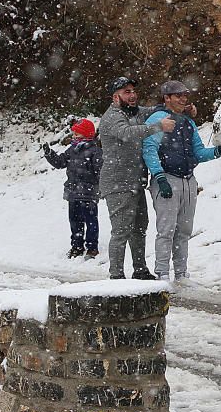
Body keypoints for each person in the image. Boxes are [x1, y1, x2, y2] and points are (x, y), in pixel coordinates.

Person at [142, 80, 221, 282]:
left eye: (185, 95)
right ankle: (162, 273)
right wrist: (159, 176)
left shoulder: (188, 122)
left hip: (188, 180)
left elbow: (199, 153)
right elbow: (149, 149)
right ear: (167, 98)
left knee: (184, 230)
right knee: (166, 230)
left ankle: (181, 273)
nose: (183, 99)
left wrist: (220, 150)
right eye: (178, 95)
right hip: (166, 178)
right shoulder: (158, 119)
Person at [98, 76, 176, 280]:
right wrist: (158, 126)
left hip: (135, 183)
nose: (132, 96)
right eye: (126, 92)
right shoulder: (112, 117)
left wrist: (174, 106)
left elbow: (152, 111)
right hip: (117, 183)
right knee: (121, 230)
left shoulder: (134, 112)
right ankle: (116, 275)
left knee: (139, 227)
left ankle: (140, 270)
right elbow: (127, 133)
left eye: (133, 91)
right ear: (115, 97)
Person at [43, 118, 103, 259]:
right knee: (75, 221)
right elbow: (60, 162)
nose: (74, 136)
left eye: (78, 134)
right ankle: (76, 246)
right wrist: (49, 154)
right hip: (73, 192)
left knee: (91, 220)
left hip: (89, 193)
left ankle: (92, 247)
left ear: (87, 134)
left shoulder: (95, 151)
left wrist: (100, 186)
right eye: (74, 133)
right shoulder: (72, 150)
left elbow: (100, 171)